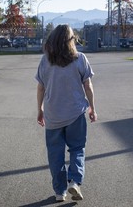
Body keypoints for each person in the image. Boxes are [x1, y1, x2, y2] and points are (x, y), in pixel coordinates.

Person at [35, 24, 97, 202]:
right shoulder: (80, 59)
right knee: (77, 148)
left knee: (55, 154)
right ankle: (75, 181)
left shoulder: (45, 60)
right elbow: (88, 85)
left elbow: (40, 88)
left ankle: (59, 192)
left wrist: (40, 109)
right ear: (71, 40)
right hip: (75, 114)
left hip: (53, 115)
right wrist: (92, 107)